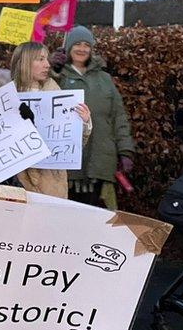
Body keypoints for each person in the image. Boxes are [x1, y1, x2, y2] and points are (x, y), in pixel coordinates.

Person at [51, 26, 134, 208]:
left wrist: (125, 151)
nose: (82, 49)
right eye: (77, 44)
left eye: (86, 45)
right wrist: (53, 70)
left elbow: (118, 117)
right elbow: (43, 97)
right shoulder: (58, 76)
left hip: (101, 160)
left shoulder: (104, 79)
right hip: (67, 162)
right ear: (69, 46)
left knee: (97, 216)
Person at [9, 42, 92, 198]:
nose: (47, 64)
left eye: (46, 59)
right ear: (25, 62)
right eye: (40, 59)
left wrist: (84, 122)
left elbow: (74, 144)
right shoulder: (6, 97)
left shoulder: (55, 92)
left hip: (52, 184)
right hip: (18, 183)